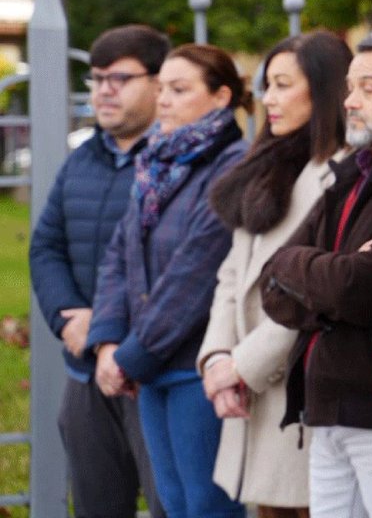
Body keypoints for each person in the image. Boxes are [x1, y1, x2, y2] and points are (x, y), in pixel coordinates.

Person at [261, 32, 372, 518]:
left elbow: (361, 289)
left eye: (368, 87)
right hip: (324, 404)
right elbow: (270, 281)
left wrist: (313, 275)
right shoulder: (354, 172)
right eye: (348, 88)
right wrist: (326, 274)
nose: (350, 102)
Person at [87, 43, 250, 518]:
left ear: (220, 98)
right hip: (150, 365)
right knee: (174, 504)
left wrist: (131, 356)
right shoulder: (156, 161)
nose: (164, 101)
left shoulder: (233, 165)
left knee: (207, 506)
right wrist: (107, 342)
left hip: (196, 368)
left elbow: (195, 274)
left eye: (179, 90)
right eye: (161, 89)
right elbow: (120, 254)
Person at [197, 32, 354, 517]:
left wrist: (242, 367)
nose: (269, 99)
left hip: (295, 389)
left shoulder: (342, 173)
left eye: (284, 85)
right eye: (269, 85)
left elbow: (313, 292)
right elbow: (232, 273)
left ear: (324, 91)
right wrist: (218, 358)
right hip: (246, 387)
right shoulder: (269, 163)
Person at [28, 24, 169, 518]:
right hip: (85, 369)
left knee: (169, 503)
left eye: (120, 78)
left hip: (153, 370)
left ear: (158, 83)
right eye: (97, 78)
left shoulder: (180, 162)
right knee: (95, 506)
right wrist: (70, 320)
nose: (104, 90)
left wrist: (114, 332)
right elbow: (46, 247)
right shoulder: (82, 159)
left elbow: (183, 271)